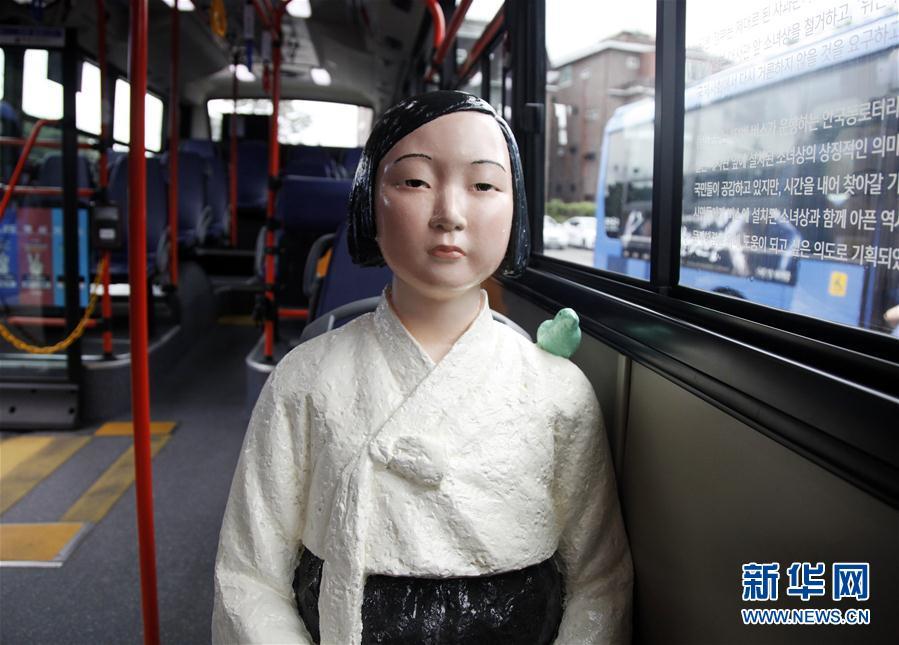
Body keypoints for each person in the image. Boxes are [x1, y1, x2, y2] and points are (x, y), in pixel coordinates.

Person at [212, 90, 633, 644]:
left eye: (483, 185)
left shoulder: (557, 390)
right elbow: (249, 575)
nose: (449, 215)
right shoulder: (304, 378)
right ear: (369, 201)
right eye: (414, 182)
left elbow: (599, 581)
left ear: (515, 206)